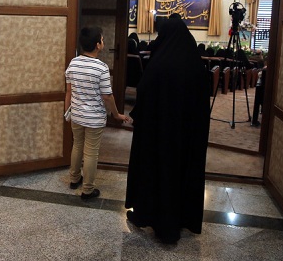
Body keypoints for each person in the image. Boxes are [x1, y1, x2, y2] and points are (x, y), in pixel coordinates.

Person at [125, 15, 210, 244]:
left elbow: (143, 94)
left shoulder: (157, 65)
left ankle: (149, 214)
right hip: (185, 138)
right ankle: (180, 218)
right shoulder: (195, 66)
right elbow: (203, 105)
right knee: (181, 174)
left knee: (155, 172)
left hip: (157, 136)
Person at [65, 26, 131, 200]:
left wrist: (67, 112)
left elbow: (69, 91)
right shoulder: (101, 68)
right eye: (102, 39)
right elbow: (107, 96)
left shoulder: (73, 63)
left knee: (77, 146)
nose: (103, 41)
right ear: (97, 45)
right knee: (91, 152)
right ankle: (87, 190)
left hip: (76, 115)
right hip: (94, 118)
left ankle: (74, 179)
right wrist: (116, 115)